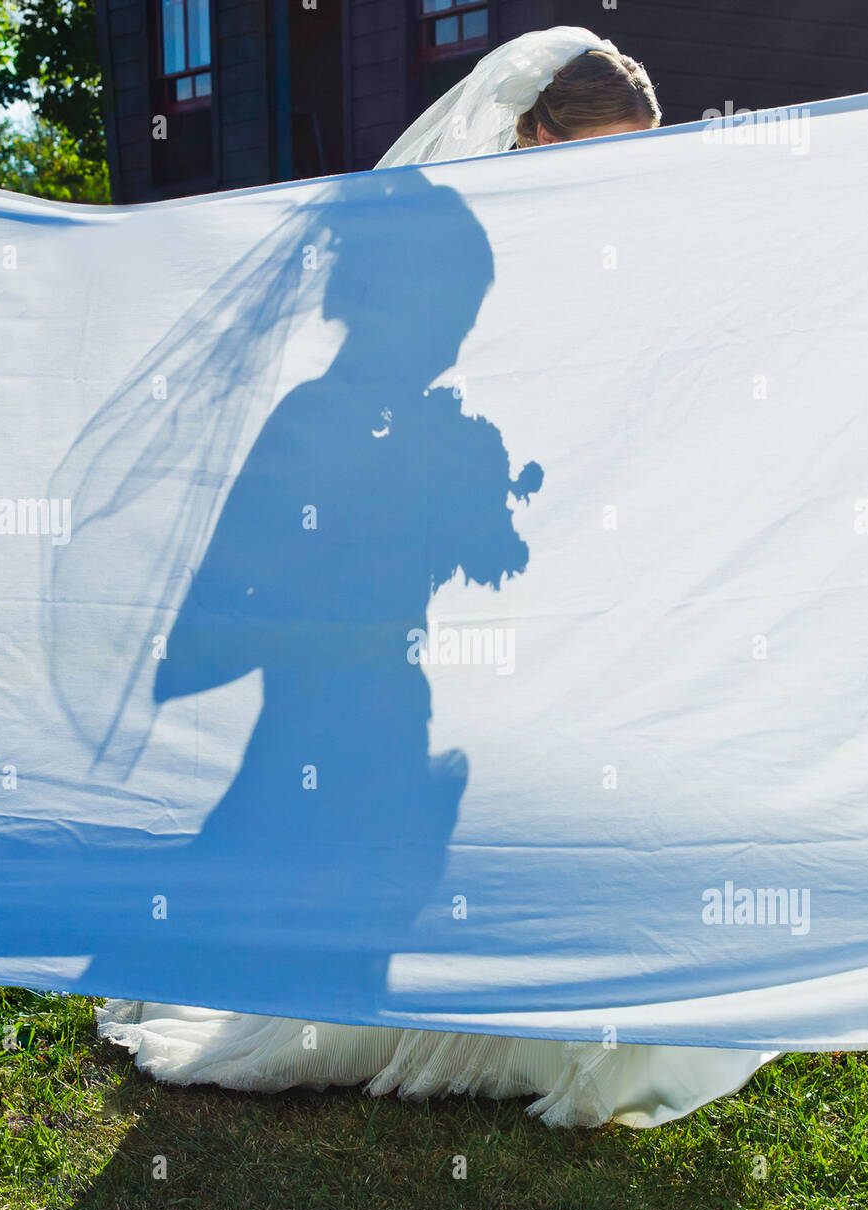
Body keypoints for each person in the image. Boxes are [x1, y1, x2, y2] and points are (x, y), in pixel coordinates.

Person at [97, 27, 778, 1128]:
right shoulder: (445, 251)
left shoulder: (603, 251)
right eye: (599, 153)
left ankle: (580, 986)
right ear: (530, 132)